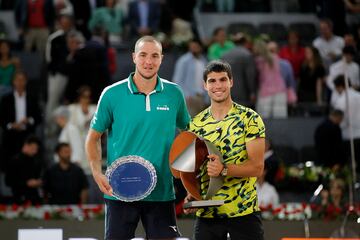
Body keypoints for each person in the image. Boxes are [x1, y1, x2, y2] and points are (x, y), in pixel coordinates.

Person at [85, 35, 190, 239]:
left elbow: (189, 137)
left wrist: (189, 181)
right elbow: (93, 138)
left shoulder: (174, 93)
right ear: (133, 57)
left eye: (154, 56)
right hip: (119, 191)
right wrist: (97, 172)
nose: (148, 62)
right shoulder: (111, 94)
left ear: (162, 59)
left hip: (162, 193)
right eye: (143, 55)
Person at [185, 60, 265, 240]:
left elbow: (257, 168)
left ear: (231, 82)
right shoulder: (195, 124)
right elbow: (194, 170)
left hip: (244, 212)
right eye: (212, 81)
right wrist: (192, 195)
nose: (218, 85)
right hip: (207, 216)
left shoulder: (250, 118)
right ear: (204, 85)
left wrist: (224, 169)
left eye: (222, 79)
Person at [5, 136, 43, 204]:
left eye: (36, 149)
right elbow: (8, 181)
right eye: (32, 148)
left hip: (34, 197)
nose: (35, 151)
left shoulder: (36, 161)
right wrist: (26, 183)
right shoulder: (14, 161)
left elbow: (39, 176)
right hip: (19, 197)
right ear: (26, 145)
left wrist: (38, 182)